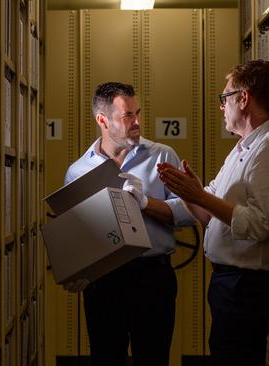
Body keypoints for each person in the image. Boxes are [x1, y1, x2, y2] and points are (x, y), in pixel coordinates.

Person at [157, 60, 269, 366]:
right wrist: (191, 194)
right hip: (234, 285)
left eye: (225, 98)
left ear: (243, 98)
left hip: (248, 286)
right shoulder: (244, 148)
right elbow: (212, 215)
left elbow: (260, 225)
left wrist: (201, 197)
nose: (222, 107)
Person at [62, 81, 195, 366]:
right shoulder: (77, 171)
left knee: (154, 358)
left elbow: (190, 212)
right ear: (102, 120)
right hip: (103, 283)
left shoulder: (162, 156)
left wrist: (146, 202)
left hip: (152, 278)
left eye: (138, 113)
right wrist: (74, 269)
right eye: (128, 116)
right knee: (106, 358)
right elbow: (75, 234)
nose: (137, 122)